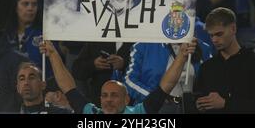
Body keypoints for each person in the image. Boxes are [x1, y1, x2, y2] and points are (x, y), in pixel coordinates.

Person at [40, 38, 197, 114]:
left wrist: (182, 56)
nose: (108, 100)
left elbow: (165, 86)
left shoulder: (138, 113)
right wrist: (53, 54)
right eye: (105, 96)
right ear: (100, 99)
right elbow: (68, 87)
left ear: (127, 100)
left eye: (114, 95)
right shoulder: (92, 113)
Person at [193, 8, 255, 113]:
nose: (214, 40)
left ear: (233, 29)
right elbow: (197, 98)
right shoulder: (206, 67)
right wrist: (198, 104)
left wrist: (225, 103)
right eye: (211, 35)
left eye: (219, 34)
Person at [125, 40, 213, 114]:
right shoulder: (143, 46)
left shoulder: (203, 47)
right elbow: (129, 80)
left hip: (190, 107)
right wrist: (154, 98)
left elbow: (209, 82)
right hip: (154, 108)